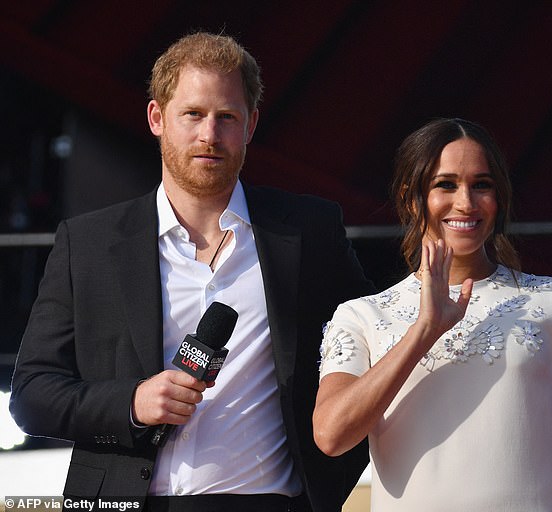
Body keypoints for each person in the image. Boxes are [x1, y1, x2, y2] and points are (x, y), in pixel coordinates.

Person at [10, 32, 375, 512]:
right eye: (193, 115)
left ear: (251, 125)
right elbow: (33, 395)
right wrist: (133, 404)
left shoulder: (307, 232)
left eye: (227, 117)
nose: (210, 135)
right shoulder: (89, 244)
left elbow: (376, 336)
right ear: (156, 118)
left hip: (270, 502)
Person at [313, 118, 552, 511]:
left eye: (482, 185)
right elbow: (331, 435)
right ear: (412, 198)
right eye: (446, 184)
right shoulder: (362, 316)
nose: (466, 202)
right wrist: (424, 330)